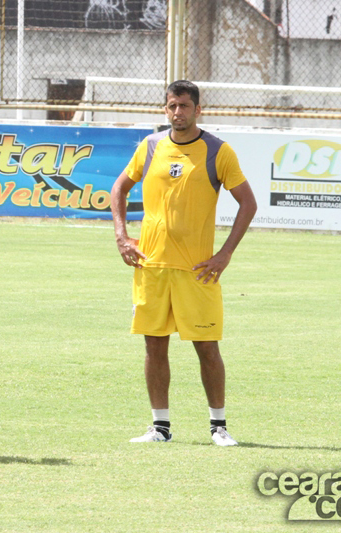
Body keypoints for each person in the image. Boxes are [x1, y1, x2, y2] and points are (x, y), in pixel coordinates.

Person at [110, 80, 257, 446]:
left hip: (198, 270)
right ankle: (160, 427)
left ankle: (218, 427)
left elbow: (248, 204)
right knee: (154, 346)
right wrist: (122, 236)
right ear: (166, 109)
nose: (178, 112)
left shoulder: (218, 152)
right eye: (172, 105)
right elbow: (119, 189)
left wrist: (224, 255)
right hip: (152, 266)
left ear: (198, 109)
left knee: (207, 347)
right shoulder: (150, 146)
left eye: (185, 106)